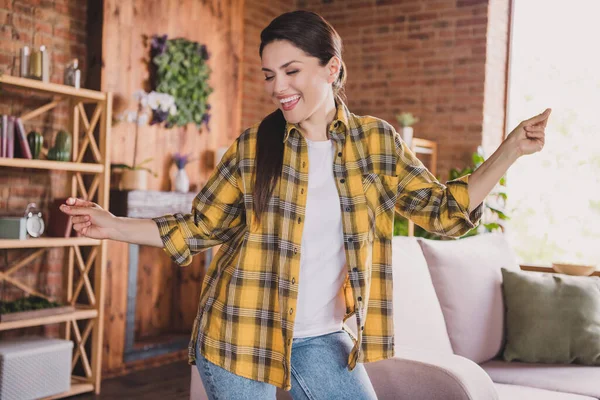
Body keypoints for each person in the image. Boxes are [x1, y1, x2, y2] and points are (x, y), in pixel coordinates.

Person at [60, 10, 551, 400]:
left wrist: (509, 151)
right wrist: (112, 225)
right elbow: (198, 227)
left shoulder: (375, 143)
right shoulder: (254, 147)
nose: (278, 87)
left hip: (319, 337)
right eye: (270, 74)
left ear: (331, 68)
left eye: (292, 71)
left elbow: (444, 214)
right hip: (237, 328)